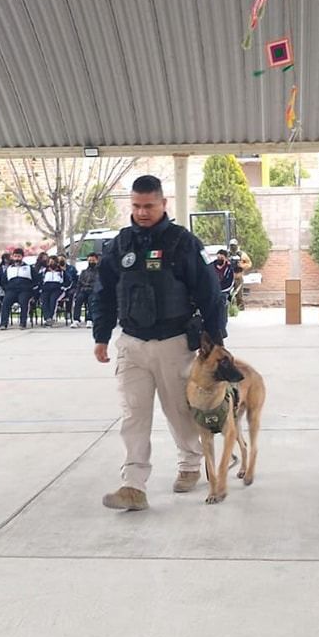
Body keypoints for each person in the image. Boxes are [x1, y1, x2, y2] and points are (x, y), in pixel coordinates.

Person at [93, 174, 223, 511]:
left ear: (163, 204)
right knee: (133, 415)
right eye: (136, 206)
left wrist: (217, 342)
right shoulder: (121, 244)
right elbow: (103, 292)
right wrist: (101, 336)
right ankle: (133, 486)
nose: (141, 212)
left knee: (179, 412)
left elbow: (209, 294)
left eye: (148, 205)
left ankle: (191, 463)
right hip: (132, 344)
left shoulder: (183, 243)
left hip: (174, 343)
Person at [0, 248, 35, 330]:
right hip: (11, 290)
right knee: (5, 302)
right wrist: (6, 288)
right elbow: (3, 281)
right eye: (15, 256)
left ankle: (23, 323)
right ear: (13, 257)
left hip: (24, 290)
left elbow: (36, 280)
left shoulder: (29, 268)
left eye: (19, 256)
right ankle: (3, 324)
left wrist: (30, 289)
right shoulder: (9, 269)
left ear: (22, 257)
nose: (17, 258)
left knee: (24, 302)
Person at [72, 253, 99, 329]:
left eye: (93, 260)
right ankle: (76, 320)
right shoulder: (84, 272)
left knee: (91, 300)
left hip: (94, 291)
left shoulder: (99, 271)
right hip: (83, 290)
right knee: (78, 300)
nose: (91, 262)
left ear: (97, 260)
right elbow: (79, 283)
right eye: (89, 260)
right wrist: (77, 292)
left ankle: (89, 319)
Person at [212, 249, 234, 334]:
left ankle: (222, 329)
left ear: (225, 258)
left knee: (223, 304)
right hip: (213, 291)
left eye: (221, 257)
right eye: (218, 257)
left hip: (225, 293)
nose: (219, 259)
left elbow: (230, 283)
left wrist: (221, 291)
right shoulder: (212, 267)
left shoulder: (229, 269)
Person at [39, 259, 65, 327]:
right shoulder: (44, 271)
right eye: (50, 262)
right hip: (46, 289)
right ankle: (47, 318)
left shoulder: (61, 272)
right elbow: (40, 281)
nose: (52, 263)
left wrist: (63, 287)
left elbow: (68, 281)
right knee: (44, 300)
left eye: (53, 262)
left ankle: (51, 317)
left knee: (53, 300)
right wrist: (41, 288)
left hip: (57, 289)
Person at [227, 239, 252, 309]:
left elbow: (249, 263)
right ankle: (230, 307)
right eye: (231, 246)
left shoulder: (242, 254)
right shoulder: (227, 254)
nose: (233, 247)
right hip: (229, 276)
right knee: (229, 294)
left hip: (238, 275)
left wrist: (242, 265)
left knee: (239, 295)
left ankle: (240, 307)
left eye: (234, 246)